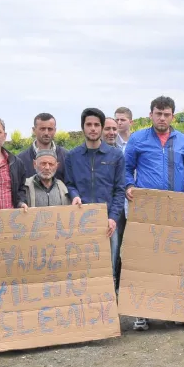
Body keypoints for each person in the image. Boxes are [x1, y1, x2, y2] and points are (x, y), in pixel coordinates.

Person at [124, 96, 184, 331]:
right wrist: (129, 186)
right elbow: (127, 169)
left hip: (175, 210)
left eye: (166, 114)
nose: (162, 118)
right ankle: (142, 312)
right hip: (147, 210)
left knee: (174, 260)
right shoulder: (138, 139)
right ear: (151, 114)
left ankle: (174, 310)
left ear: (172, 116)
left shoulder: (182, 141)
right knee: (145, 261)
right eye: (158, 113)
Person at [66, 107, 125, 287]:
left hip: (107, 221)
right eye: (89, 125)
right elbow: (69, 184)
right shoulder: (73, 156)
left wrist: (113, 218)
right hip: (80, 220)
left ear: (101, 128)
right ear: (83, 127)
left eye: (96, 125)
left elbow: (120, 190)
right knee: (81, 267)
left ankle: (108, 309)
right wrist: (74, 195)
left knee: (108, 268)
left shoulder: (115, 156)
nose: (93, 128)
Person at [17, 113, 68, 182]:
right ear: (34, 130)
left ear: (55, 130)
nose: (46, 133)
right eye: (42, 129)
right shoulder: (20, 160)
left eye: (50, 129)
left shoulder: (66, 156)